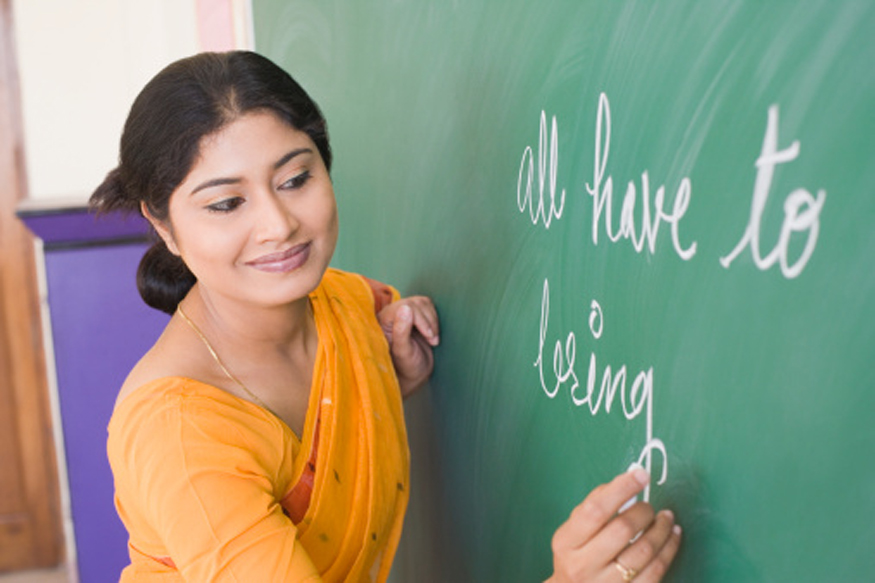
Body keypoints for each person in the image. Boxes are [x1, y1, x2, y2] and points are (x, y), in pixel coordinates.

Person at [91, 50, 681, 582]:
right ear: (163, 223)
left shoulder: (345, 308)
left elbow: (357, 349)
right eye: (226, 203)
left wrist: (387, 353)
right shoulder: (181, 433)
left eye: (296, 179)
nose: (278, 225)